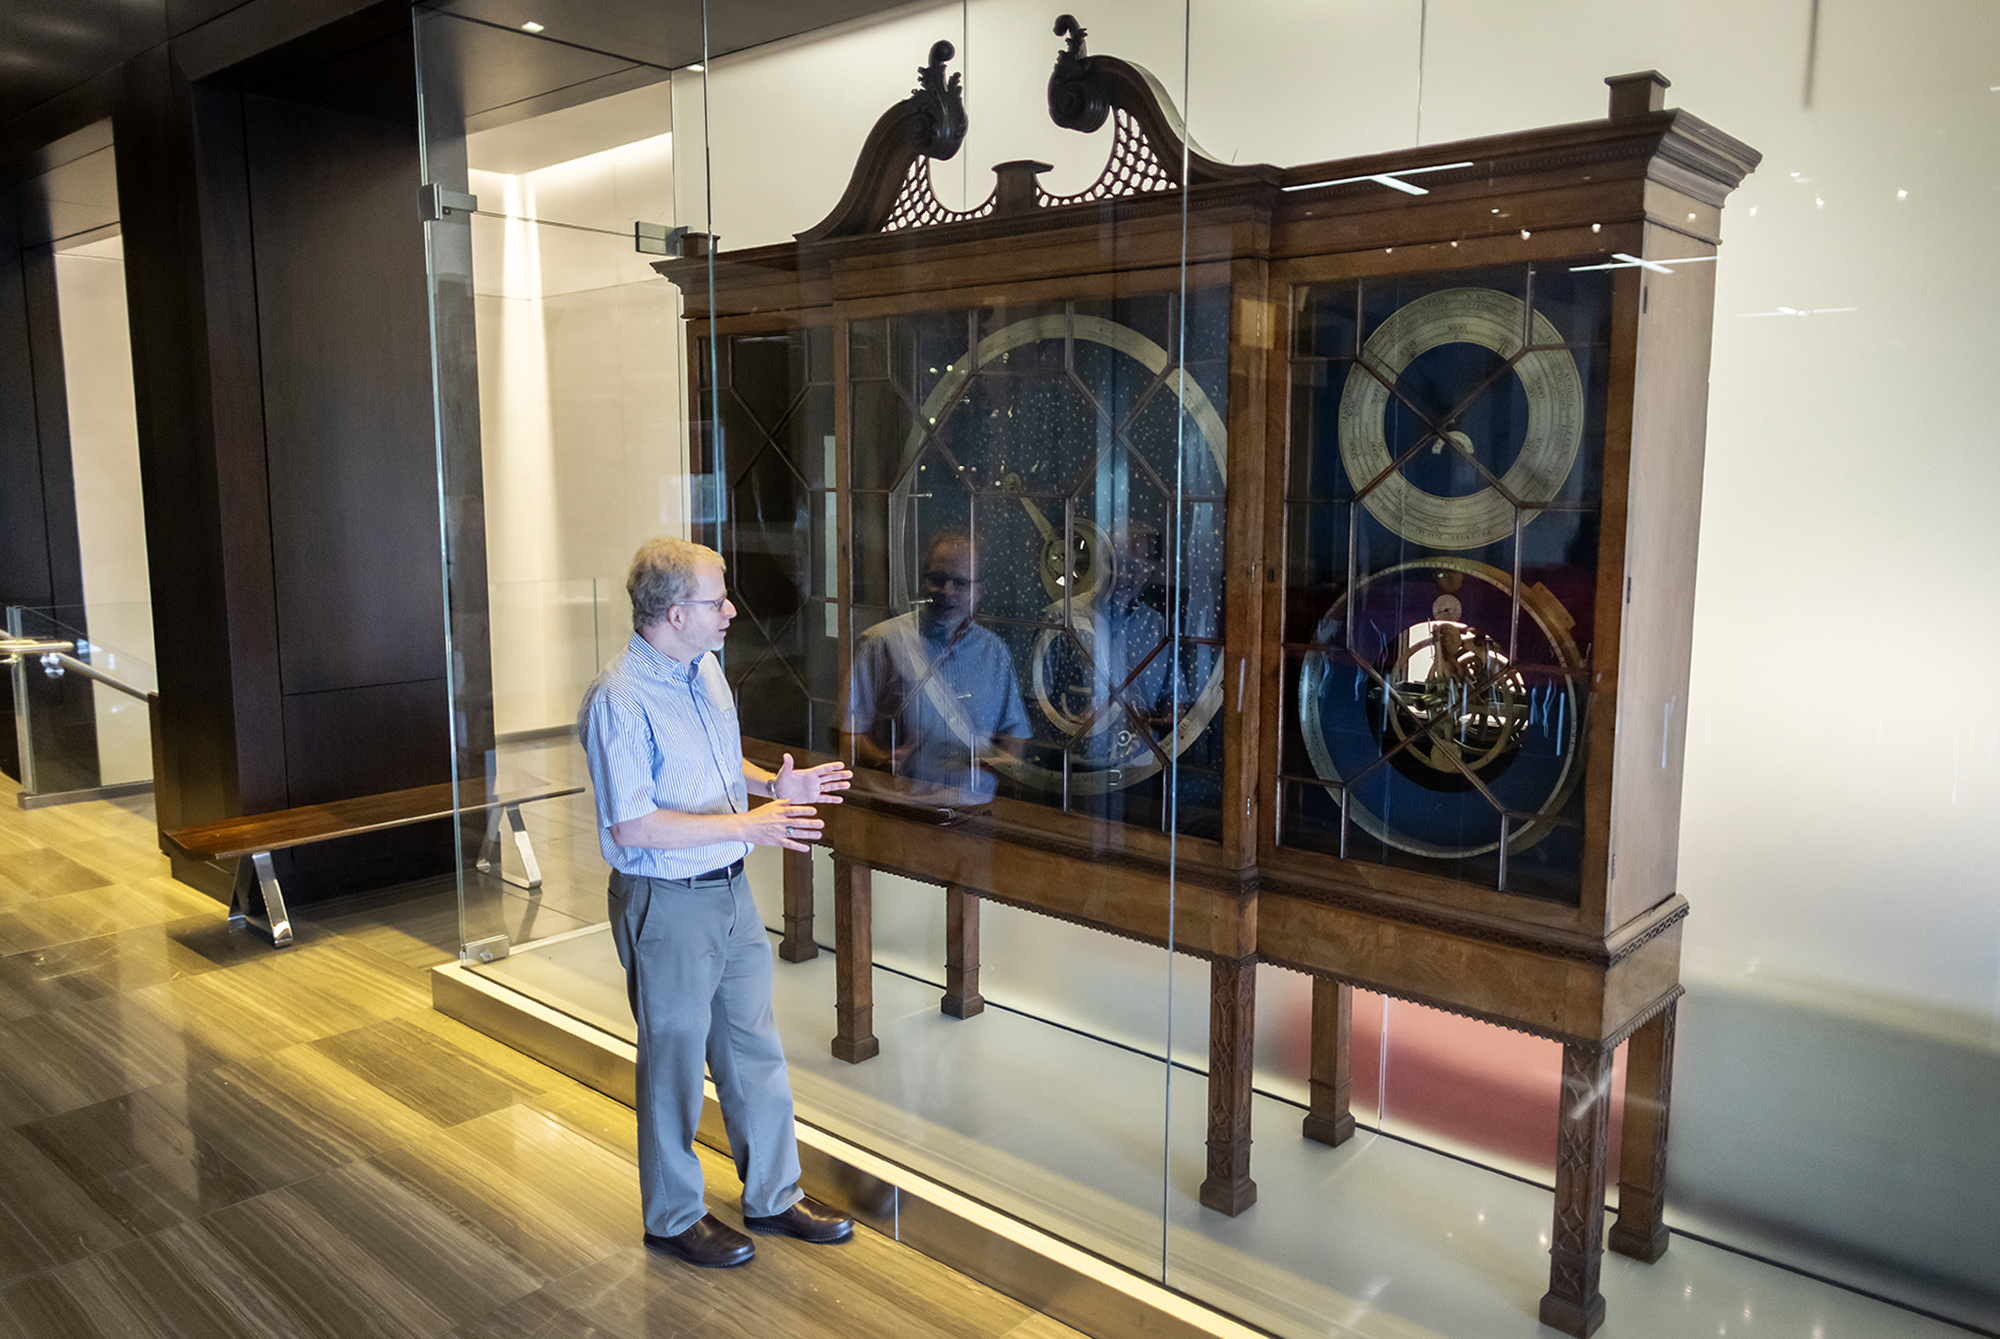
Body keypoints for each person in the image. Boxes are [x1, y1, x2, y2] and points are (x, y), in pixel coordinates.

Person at [577, 536, 855, 1268]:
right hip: (665, 902)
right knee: (671, 1060)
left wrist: (774, 786)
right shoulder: (619, 699)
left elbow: (713, 764)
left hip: (727, 890)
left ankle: (773, 1192)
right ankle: (672, 1214)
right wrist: (748, 825)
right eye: (716, 599)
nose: (731, 608)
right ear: (674, 613)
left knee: (753, 1047)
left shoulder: (703, 671)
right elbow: (632, 822)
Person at [840, 528, 1030, 805]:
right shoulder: (880, 642)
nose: (947, 591)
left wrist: (1005, 766)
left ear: (979, 591)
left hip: (974, 817)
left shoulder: (995, 652)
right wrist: (882, 759)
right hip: (897, 811)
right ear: (922, 580)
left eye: (961, 583)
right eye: (937, 580)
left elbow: (1016, 732)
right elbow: (847, 736)